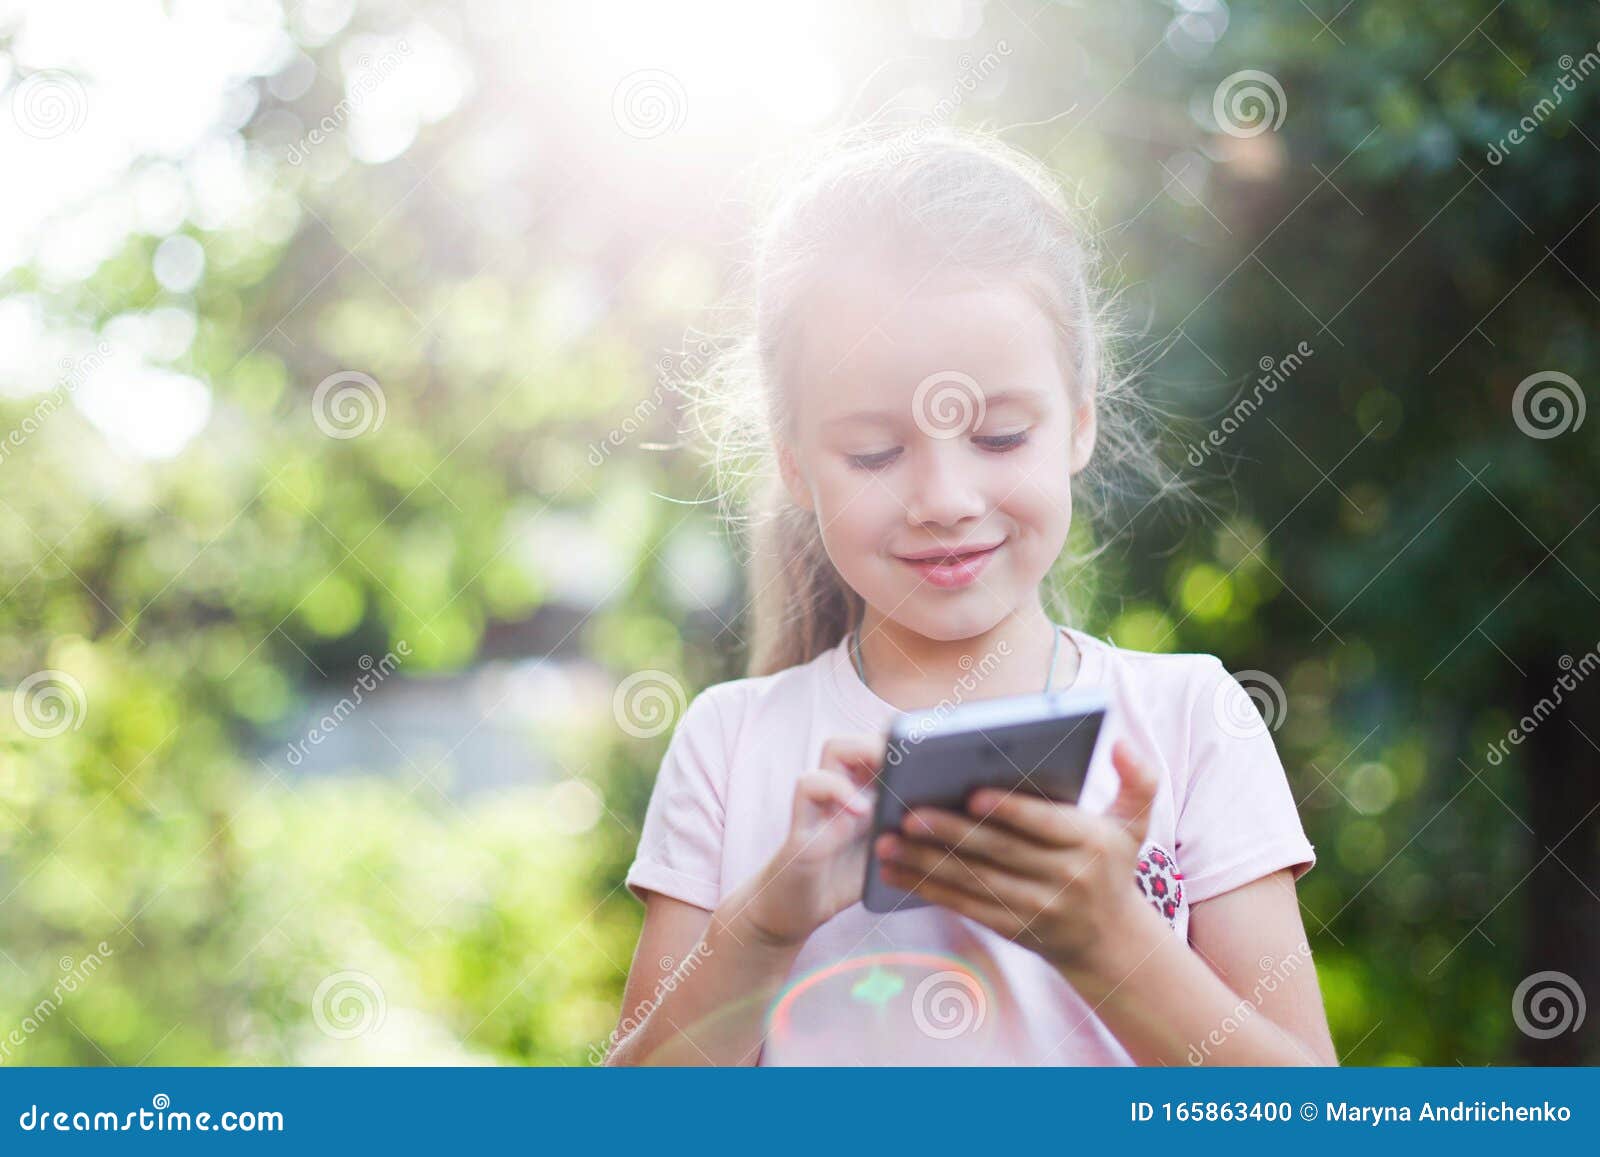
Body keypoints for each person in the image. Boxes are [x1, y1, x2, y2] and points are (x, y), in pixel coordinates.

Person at [605, 127, 1336, 1066]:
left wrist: (1109, 942)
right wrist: (764, 926)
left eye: (997, 437)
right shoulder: (731, 742)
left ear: (1077, 424)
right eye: (873, 453)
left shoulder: (1192, 720)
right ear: (794, 464)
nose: (945, 502)